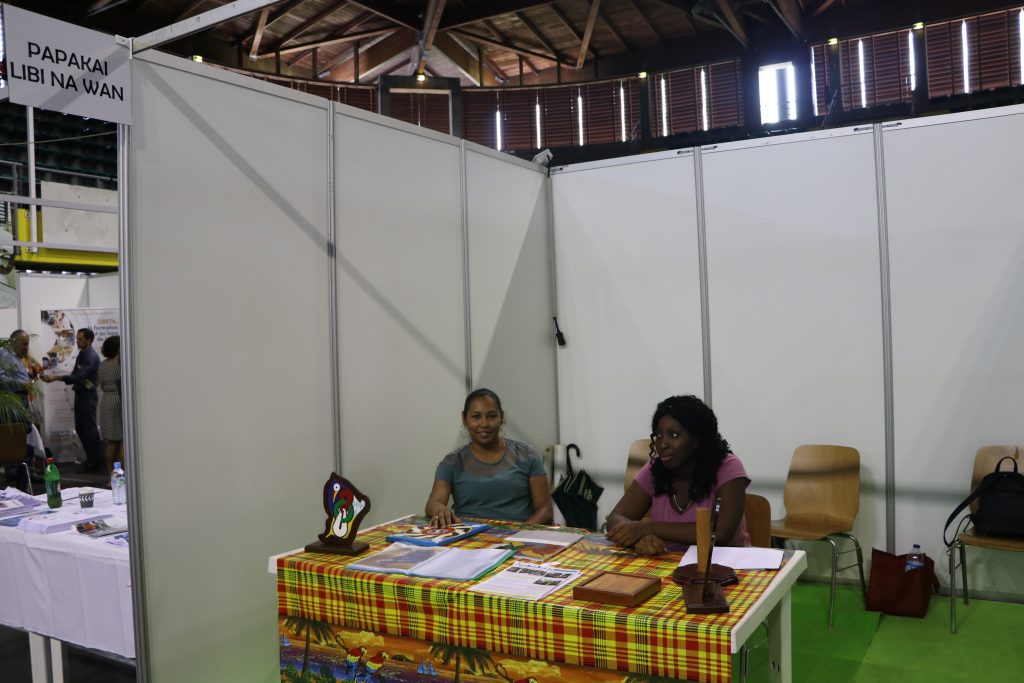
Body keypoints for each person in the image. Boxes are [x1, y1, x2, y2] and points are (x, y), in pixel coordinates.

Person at [606, 395, 750, 555]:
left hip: (723, 564)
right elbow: (616, 517)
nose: (662, 444)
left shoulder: (727, 466)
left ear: (697, 439)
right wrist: (640, 538)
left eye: (674, 435)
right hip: (667, 562)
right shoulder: (655, 468)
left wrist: (646, 528)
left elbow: (720, 533)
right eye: (659, 435)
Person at [425, 388, 553, 526]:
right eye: (476, 417)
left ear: (501, 417)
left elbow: (545, 510)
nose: (484, 424)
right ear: (464, 418)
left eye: (492, 416)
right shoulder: (452, 462)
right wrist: (439, 509)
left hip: (519, 536)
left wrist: (519, 533)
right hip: (469, 536)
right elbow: (433, 503)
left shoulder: (526, 455)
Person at [43, 328, 103, 474]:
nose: (77, 341)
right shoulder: (82, 354)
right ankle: (91, 459)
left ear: (89, 340)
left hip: (88, 396)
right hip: (81, 395)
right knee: (81, 428)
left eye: (80, 339)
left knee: (89, 429)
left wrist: (56, 377)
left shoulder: (91, 356)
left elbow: (78, 376)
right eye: (77, 338)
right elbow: (76, 375)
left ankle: (94, 462)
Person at [0, 330, 33, 489]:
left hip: (19, 401)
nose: (26, 347)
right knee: (14, 440)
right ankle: (14, 480)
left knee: (22, 438)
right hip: (12, 402)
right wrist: (22, 385)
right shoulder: (4, 355)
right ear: (14, 341)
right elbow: (3, 382)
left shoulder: (15, 356)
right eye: (24, 344)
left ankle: (21, 479)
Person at [98, 335, 123, 475]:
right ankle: (126, 476)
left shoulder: (102, 364)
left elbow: (102, 385)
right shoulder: (120, 362)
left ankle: (110, 476)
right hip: (119, 400)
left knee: (111, 441)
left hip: (106, 400)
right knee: (123, 441)